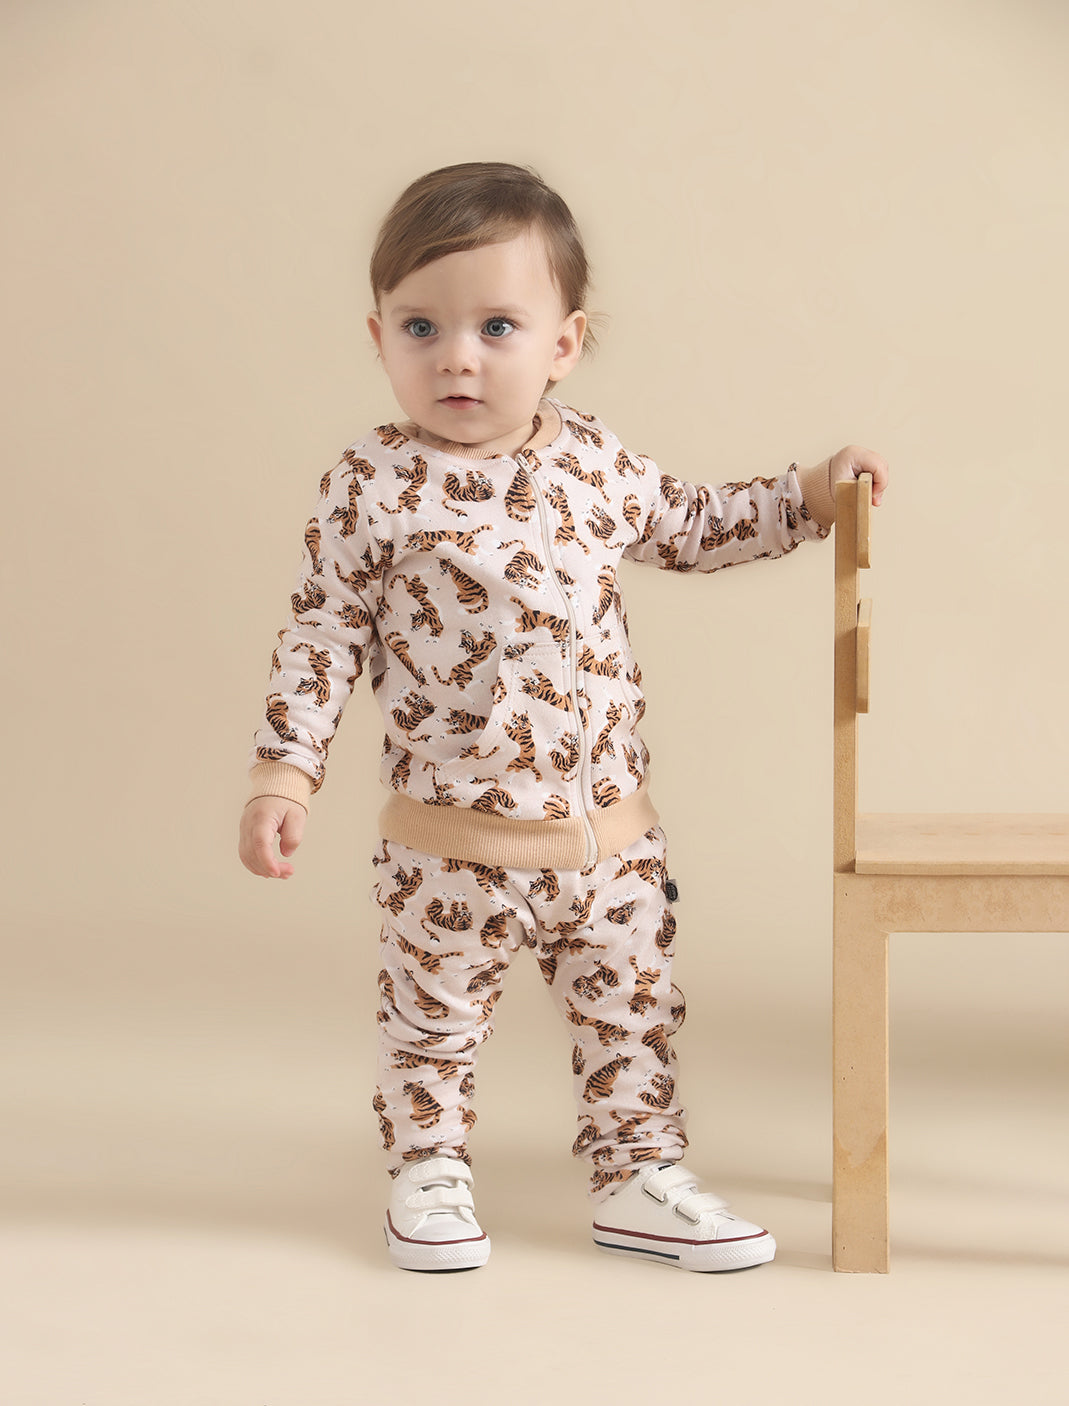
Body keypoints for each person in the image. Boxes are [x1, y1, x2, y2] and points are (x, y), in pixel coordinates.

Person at [238, 161, 889, 1274]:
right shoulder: (372, 484)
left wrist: (811, 494)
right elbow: (322, 633)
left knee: (632, 1013)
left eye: (497, 326)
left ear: (563, 344)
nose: (457, 356)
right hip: (449, 843)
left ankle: (638, 1172)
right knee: (432, 1017)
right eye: (421, 326)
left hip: (608, 839)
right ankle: (428, 1170)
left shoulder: (590, 458)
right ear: (379, 336)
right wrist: (283, 775)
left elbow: (692, 523)